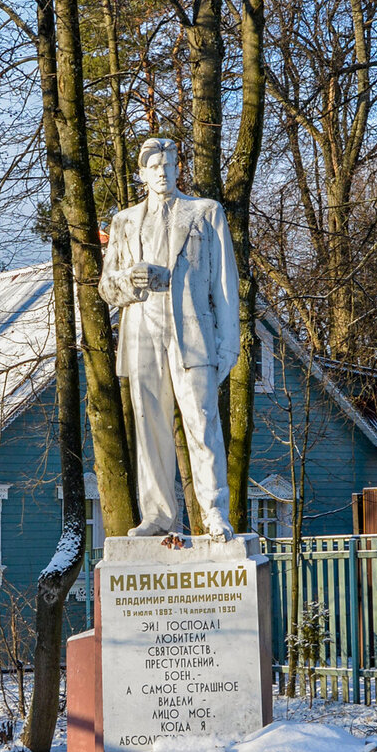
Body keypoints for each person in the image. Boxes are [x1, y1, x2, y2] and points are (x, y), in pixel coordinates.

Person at [99, 137, 240, 540]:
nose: (162, 172)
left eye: (168, 164)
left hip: (193, 333)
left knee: (202, 422)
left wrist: (228, 344)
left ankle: (213, 511)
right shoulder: (124, 222)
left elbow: (224, 285)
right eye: (154, 166)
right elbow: (107, 287)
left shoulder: (205, 213)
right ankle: (158, 515)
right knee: (150, 426)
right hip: (143, 332)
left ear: (178, 168)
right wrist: (130, 280)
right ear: (141, 174)